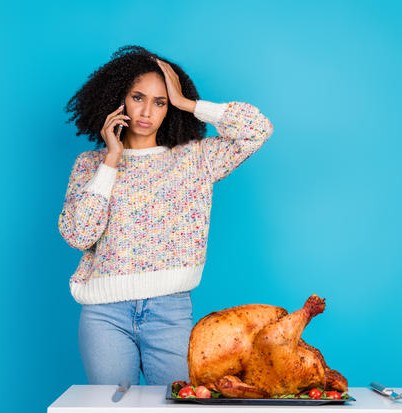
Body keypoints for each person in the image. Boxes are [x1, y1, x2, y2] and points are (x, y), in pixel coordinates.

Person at [59, 45, 274, 386]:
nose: (146, 111)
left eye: (160, 102)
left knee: (179, 407)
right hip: (105, 315)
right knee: (113, 411)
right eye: (137, 97)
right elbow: (79, 235)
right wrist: (111, 161)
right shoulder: (90, 164)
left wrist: (189, 104)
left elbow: (258, 129)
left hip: (170, 312)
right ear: (118, 100)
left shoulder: (195, 159)